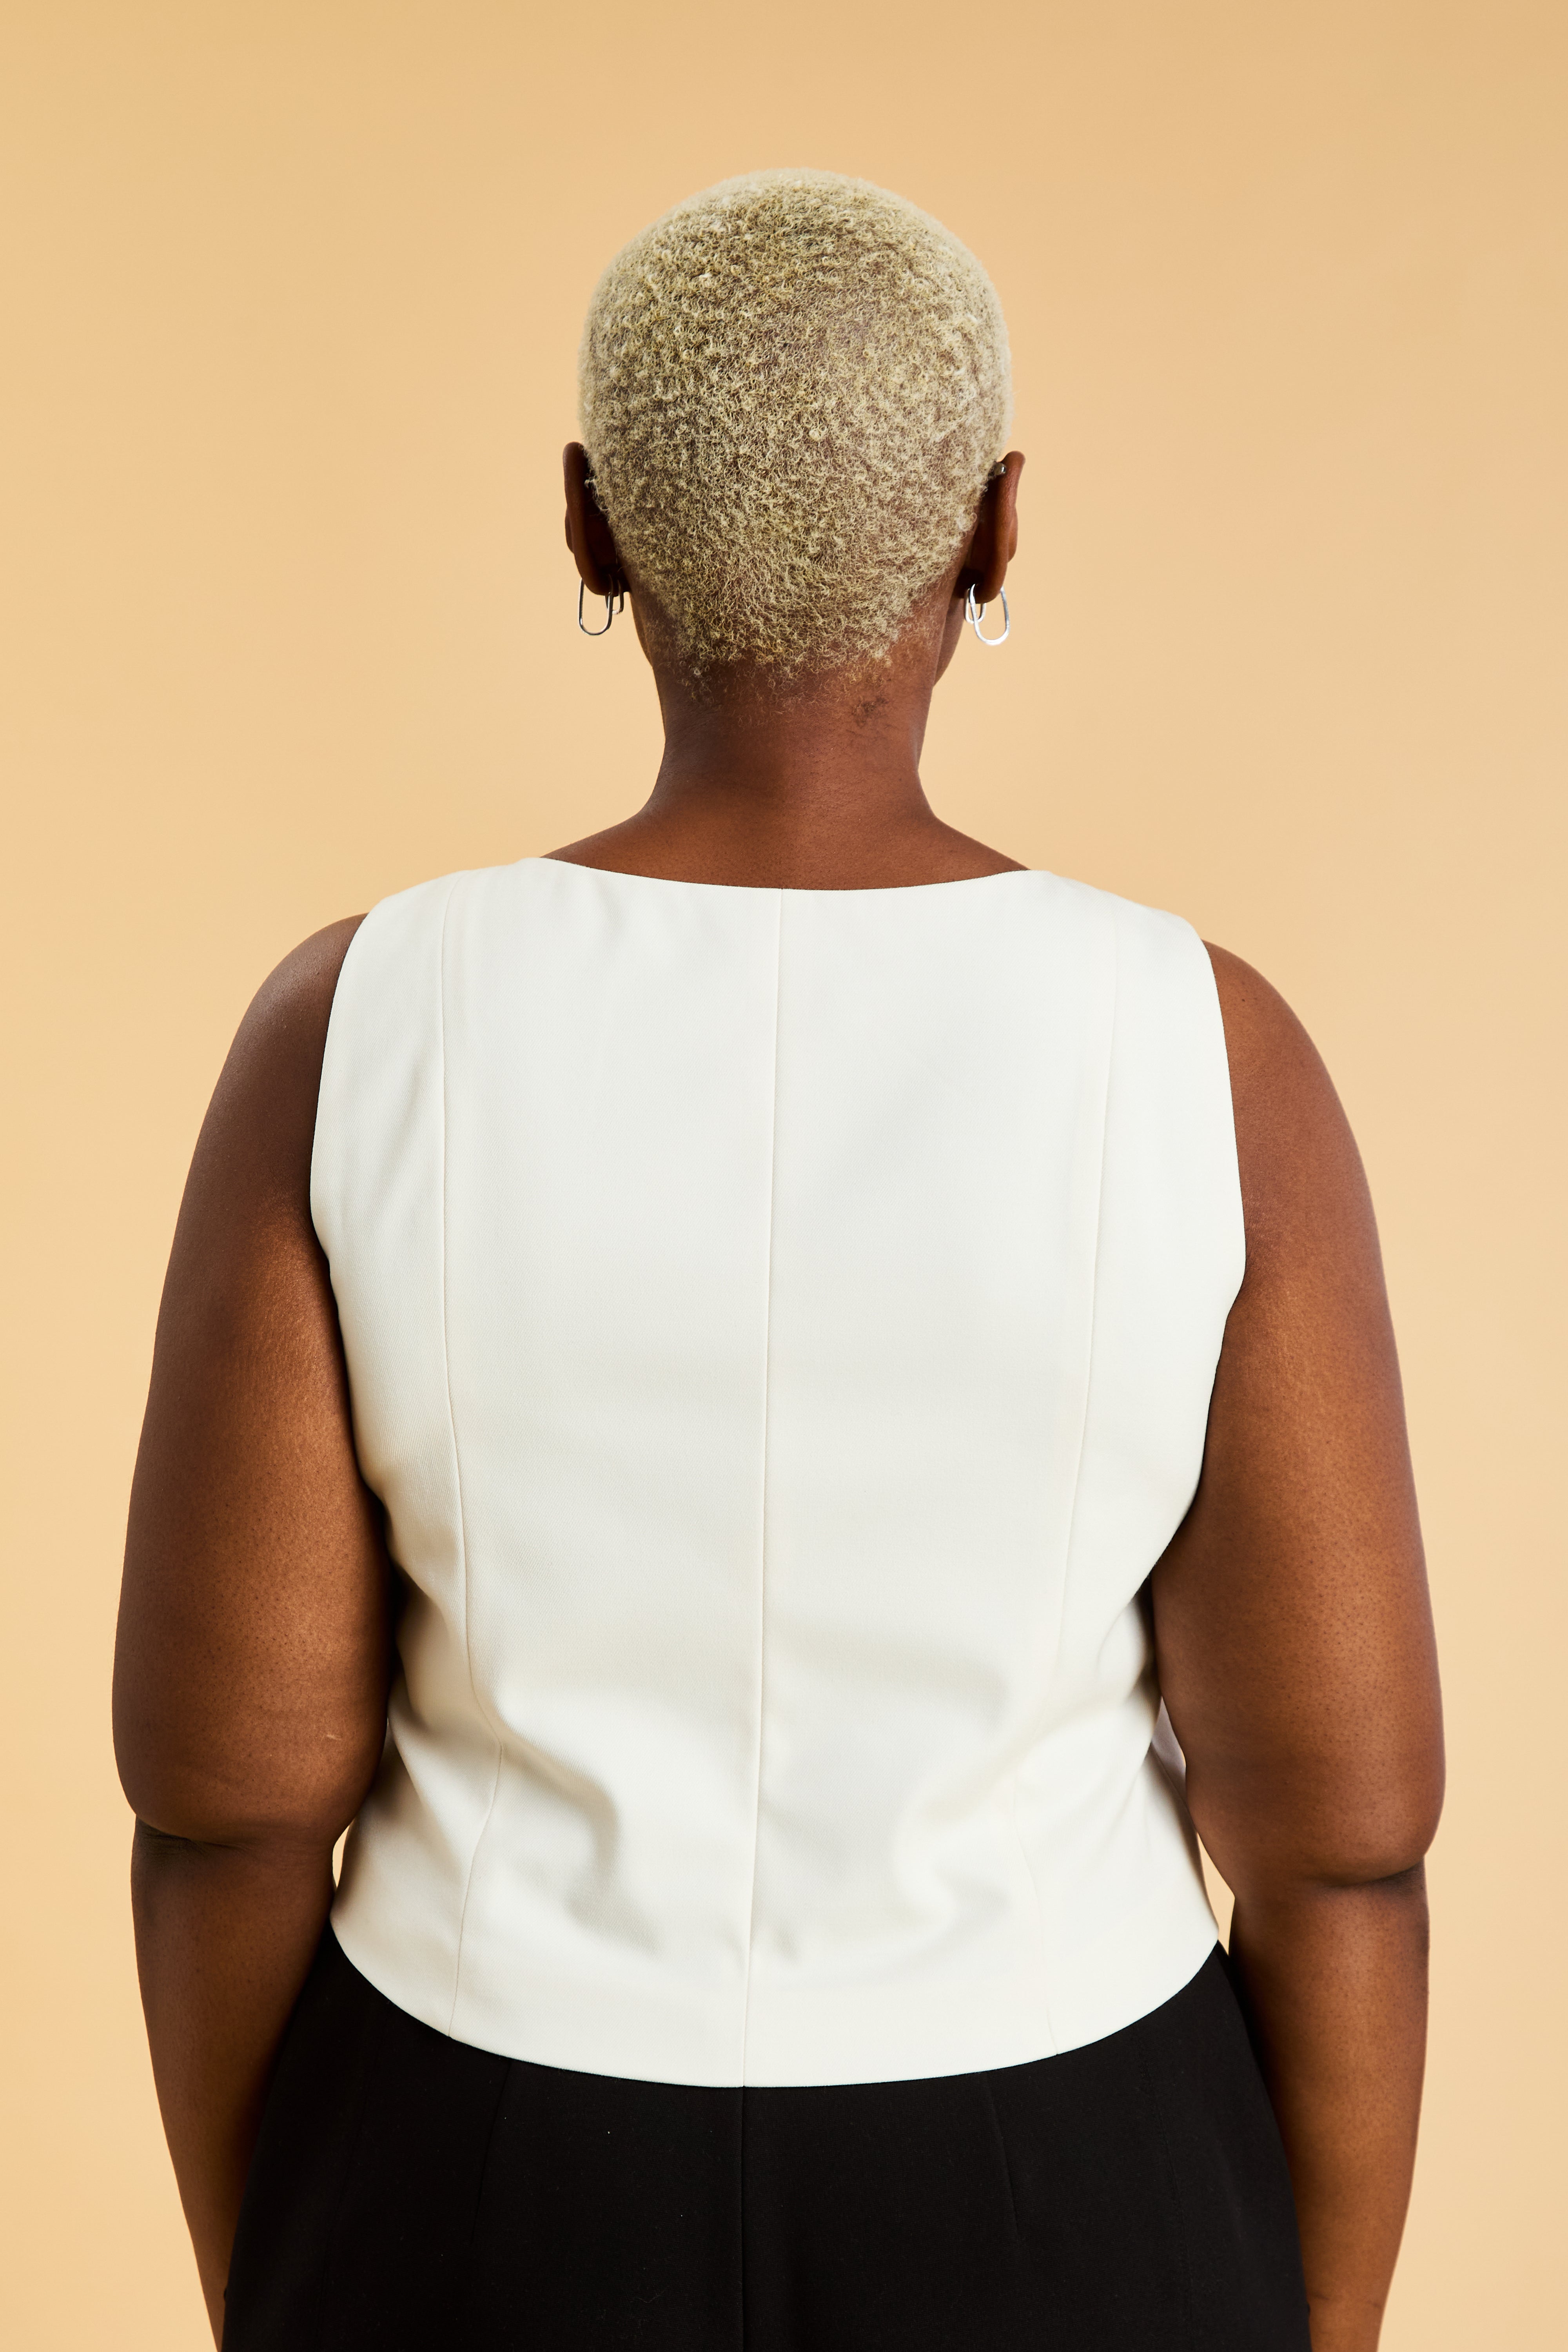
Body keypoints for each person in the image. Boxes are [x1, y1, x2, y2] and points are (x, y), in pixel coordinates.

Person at [114, 169, 1443, 2352]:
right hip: (1071, 2174)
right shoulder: (1202, 1043)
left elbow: (225, 1807)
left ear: (589, 525)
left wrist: (305, 2267)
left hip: (476, 2156)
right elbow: (1346, 1850)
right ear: (997, 532)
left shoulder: (359, 1022)